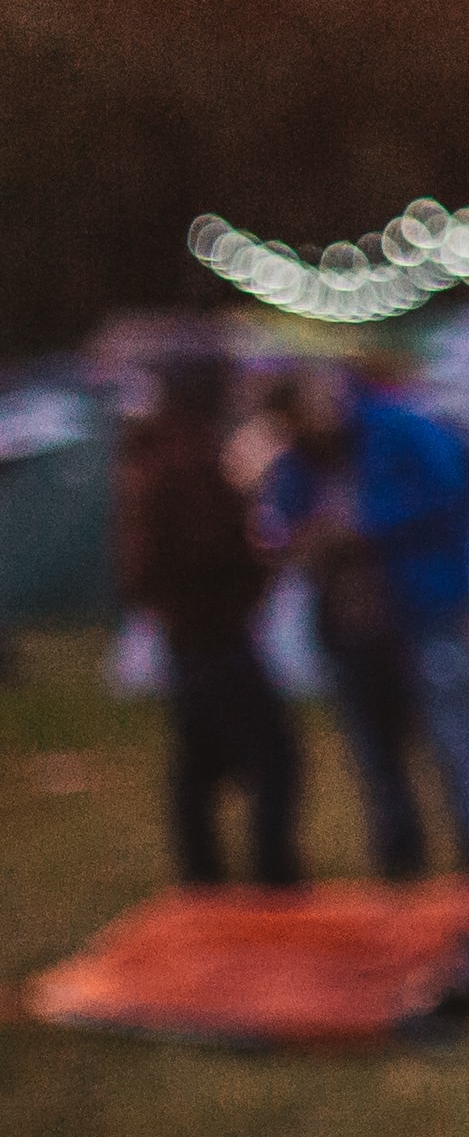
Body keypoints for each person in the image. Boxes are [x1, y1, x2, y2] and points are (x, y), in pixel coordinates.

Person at [266, 351, 469, 880]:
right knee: (376, 754)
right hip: (351, 624)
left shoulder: (399, 429)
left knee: (454, 739)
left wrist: (368, 525)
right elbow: (284, 519)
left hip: (426, 609)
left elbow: (451, 489)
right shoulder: (298, 461)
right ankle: (402, 863)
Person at [114, 353, 302, 889]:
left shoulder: (153, 457)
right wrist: (257, 553)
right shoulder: (187, 460)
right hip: (213, 634)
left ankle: (204, 885)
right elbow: (207, 549)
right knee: (274, 760)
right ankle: (272, 881)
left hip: (191, 634)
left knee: (198, 768)